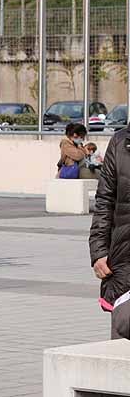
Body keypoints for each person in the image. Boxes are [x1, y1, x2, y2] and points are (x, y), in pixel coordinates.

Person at [90, 117, 130, 337]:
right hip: (124, 265)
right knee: (121, 340)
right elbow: (105, 200)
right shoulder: (121, 142)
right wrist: (99, 251)